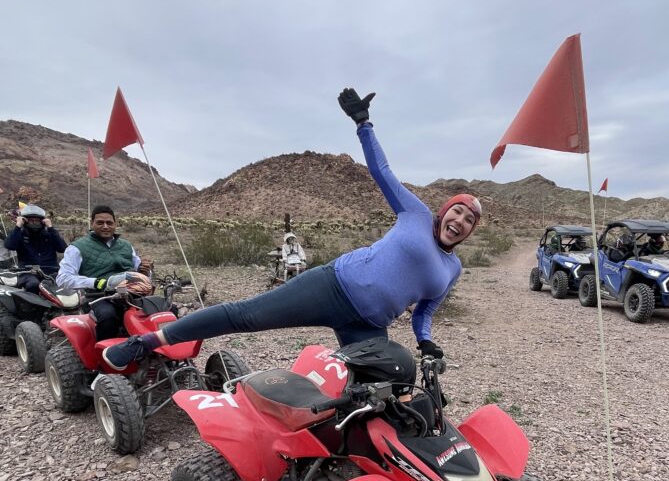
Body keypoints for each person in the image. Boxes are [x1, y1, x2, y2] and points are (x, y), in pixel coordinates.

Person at [102, 88, 481, 371]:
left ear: (469, 232)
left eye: (469, 220)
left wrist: (426, 342)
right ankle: (146, 342)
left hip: (368, 325)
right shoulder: (414, 213)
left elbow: (424, 312)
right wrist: (364, 124)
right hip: (332, 287)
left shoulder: (452, 270)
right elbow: (382, 173)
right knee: (245, 316)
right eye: (458, 211)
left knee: (382, 380)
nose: (460, 221)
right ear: (445, 211)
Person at [57, 205, 153, 340]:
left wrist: (145, 271)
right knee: (108, 316)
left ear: (115, 224)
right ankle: (105, 355)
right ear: (92, 224)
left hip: (131, 294)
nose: (105, 226)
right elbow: (63, 278)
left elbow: (140, 272)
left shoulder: (126, 245)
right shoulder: (77, 247)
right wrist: (97, 282)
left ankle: (163, 354)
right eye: (100, 223)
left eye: (109, 223)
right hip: (99, 296)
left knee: (165, 309)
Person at [3, 205, 67, 291]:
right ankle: (29, 304)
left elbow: (62, 248)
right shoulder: (20, 234)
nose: (34, 223)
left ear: (43, 221)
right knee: (32, 284)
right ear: (24, 221)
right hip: (27, 272)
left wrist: (51, 228)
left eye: (37, 221)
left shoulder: (50, 234)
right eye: (30, 220)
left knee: (61, 286)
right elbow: (9, 245)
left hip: (51, 271)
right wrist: (18, 226)